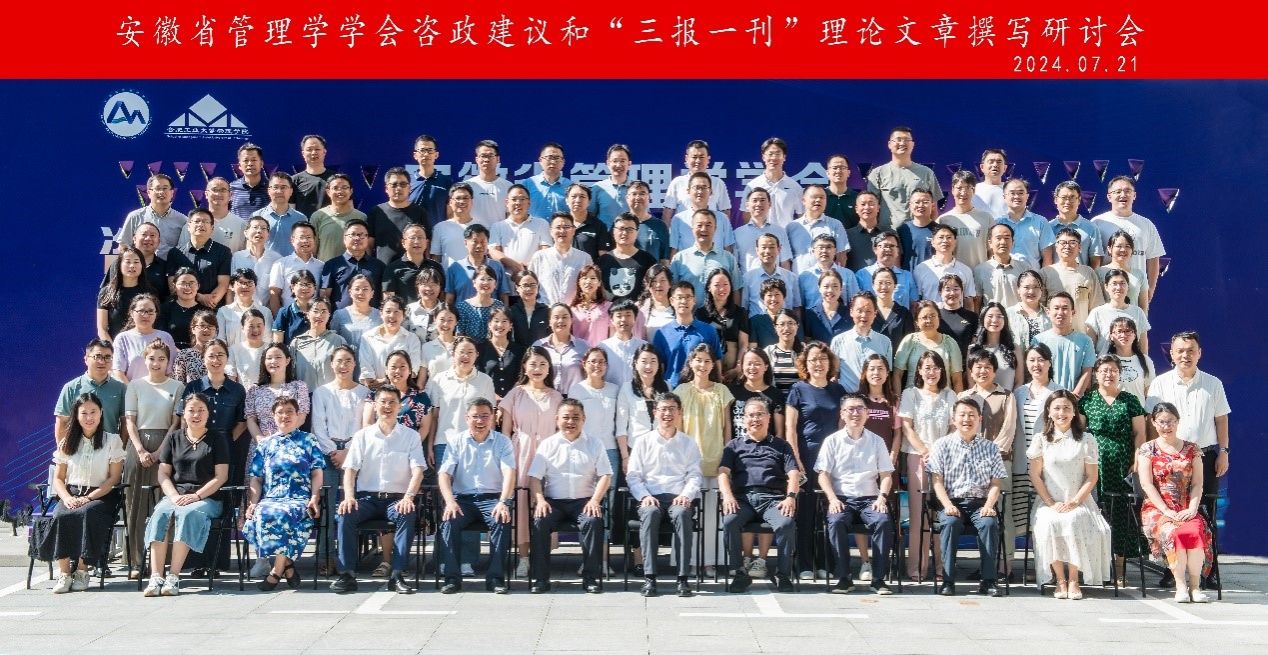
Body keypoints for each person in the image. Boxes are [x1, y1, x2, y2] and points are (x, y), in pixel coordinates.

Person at [1145, 331, 1230, 576]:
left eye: (1190, 350)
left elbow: (1221, 419)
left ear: (1199, 353)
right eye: (1180, 351)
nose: (1185, 355)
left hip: (1205, 456)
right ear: (1171, 354)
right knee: (1172, 516)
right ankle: (1173, 573)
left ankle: (1208, 573)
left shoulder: (1213, 384)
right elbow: (1151, 422)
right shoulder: (1160, 384)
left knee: (1206, 513)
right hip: (1170, 460)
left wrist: (1223, 451)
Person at [330, 387, 427, 595]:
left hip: (397, 500)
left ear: (400, 406)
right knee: (345, 512)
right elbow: (350, 470)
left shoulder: (410, 436)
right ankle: (347, 574)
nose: (387, 406)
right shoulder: (362, 436)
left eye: (392, 402)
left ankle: (397, 575)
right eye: (383, 401)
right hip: (367, 499)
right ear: (374, 406)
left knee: (407, 512)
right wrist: (349, 497)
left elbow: (418, 470)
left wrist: (409, 497)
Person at [140, 393, 230, 596]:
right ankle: (156, 577)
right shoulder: (174, 438)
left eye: (201, 410)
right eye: (191, 410)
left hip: (207, 498)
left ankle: (173, 576)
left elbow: (221, 476)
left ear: (209, 413)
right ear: (183, 413)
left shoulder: (217, 438)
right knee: (160, 514)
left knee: (187, 513)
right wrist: (173, 496)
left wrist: (197, 496)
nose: (196, 415)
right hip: (176, 496)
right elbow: (163, 474)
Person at [37, 393, 124, 594]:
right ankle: (65, 573)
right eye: (84, 413)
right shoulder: (67, 442)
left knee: (88, 513)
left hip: (101, 495)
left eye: (93, 412)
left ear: (101, 413)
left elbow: (113, 478)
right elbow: (58, 479)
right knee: (61, 514)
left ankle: (82, 571)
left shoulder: (112, 441)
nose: (89, 417)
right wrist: (67, 498)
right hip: (72, 493)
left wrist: (89, 498)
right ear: (76, 415)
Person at [1027, 390, 1112, 598]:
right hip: (1048, 502)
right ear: (1049, 412)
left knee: (1074, 521)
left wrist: (1075, 501)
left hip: (1079, 501)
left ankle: (1074, 579)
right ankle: (1060, 580)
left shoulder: (1086, 439)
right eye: (1056, 408)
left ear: (1074, 412)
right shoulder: (1040, 439)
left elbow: (1092, 477)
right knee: (1049, 522)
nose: (1061, 413)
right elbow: (1035, 476)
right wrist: (1051, 502)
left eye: (1067, 408)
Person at [527, 399, 613, 594]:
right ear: (557, 419)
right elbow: (534, 477)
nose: (570, 422)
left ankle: (591, 578)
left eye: (576, 417)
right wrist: (540, 500)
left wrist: (595, 500)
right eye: (566, 417)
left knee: (593, 521)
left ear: (584, 419)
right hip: (554, 502)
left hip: (584, 502)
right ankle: (540, 579)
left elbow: (605, 475)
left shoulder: (595, 443)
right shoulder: (548, 444)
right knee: (540, 521)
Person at [626, 392, 704, 598]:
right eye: (663, 409)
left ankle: (683, 579)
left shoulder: (688, 443)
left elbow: (695, 475)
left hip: (678, 497)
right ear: (655, 413)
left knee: (682, 513)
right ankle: (650, 578)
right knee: (650, 513)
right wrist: (644, 496)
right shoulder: (643, 441)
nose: (667, 413)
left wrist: (686, 495)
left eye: (672, 409)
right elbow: (633, 476)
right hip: (651, 497)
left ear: (679, 413)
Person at [928, 398, 1009, 596]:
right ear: (953, 419)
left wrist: (989, 505)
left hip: (980, 503)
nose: (967, 419)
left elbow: (996, 483)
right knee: (950, 523)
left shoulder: (990, 448)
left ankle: (988, 581)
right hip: (951, 502)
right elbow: (937, 481)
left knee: (989, 523)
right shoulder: (942, 445)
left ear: (980, 419)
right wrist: (947, 505)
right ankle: (948, 581)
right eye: (962, 415)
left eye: (972, 415)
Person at [818, 393, 896, 594]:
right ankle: (844, 578)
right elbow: (823, 475)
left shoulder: (877, 441)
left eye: (860, 408)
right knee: (836, 521)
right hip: (841, 499)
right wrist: (832, 499)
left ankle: (878, 579)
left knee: (883, 521)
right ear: (842, 414)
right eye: (850, 409)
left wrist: (882, 497)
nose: (855, 413)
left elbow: (886, 475)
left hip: (870, 499)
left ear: (867, 413)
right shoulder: (832, 441)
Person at [1138, 403, 1216, 603]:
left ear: (1178, 421)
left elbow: (1198, 484)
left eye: (1171, 421)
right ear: (1154, 423)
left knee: (1195, 531)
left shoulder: (1192, 449)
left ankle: (1195, 587)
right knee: (1174, 533)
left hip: (1186, 508)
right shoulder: (1148, 449)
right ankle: (1180, 586)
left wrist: (1192, 508)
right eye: (1162, 422)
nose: (1167, 426)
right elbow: (1146, 484)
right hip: (1157, 508)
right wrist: (1165, 510)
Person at [720, 397, 800, 593]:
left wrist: (790, 497)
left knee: (786, 523)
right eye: (751, 415)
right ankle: (739, 572)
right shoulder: (733, 445)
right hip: (743, 500)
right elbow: (722, 472)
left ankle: (782, 574)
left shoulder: (781, 445)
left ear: (769, 418)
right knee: (730, 522)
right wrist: (727, 496)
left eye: (760, 414)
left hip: (772, 500)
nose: (755, 419)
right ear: (744, 419)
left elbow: (794, 473)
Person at [243, 397, 324, 591]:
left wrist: (315, 497)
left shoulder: (308, 440)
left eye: (289, 411)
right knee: (262, 513)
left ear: (297, 415)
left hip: (299, 498)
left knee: (285, 513)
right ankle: (287, 566)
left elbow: (317, 472)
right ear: (273, 416)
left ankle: (275, 572)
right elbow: (256, 478)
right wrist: (253, 502)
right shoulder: (266, 444)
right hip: (272, 498)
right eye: (280, 412)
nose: (285, 416)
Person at [437, 398, 516, 594]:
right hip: (463, 500)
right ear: (467, 418)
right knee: (449, 521)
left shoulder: (503, 442)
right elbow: (444, 474)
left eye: (485, 416)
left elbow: (509, 473)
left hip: (492, 499)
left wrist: (504, 502)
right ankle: (452, 578)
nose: (480, 421)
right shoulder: (456, 441)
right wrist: (450, 502)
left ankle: (495, 578)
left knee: (501, 519)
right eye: (475, 416)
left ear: (493, 418)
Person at [1082, 355, 1148, 585]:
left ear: (1119, 373)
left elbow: (1140, 433)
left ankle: (1119, 569)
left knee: (1121, 515)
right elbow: (1079, 433)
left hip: (1121, 464)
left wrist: (1136, 460)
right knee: (1097, 514)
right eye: (1104, 370)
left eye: (1113, 370)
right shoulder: (1087, 400)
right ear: (1096, 374)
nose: (1108, 374)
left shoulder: (1130, 400)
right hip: (1095, 466)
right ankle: (1097, 569)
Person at [785, 342, 847, 579]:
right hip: (806, 457)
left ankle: (826, 564)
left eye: (822, 358)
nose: (818, 364)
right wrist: (796, 460)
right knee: (806, 512)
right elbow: (790, 429)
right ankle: (804, 565)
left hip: (832, 459)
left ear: (830, 362)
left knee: (829, 511)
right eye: (813, 359)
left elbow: (842, 426)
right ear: (805, 364)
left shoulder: (838, 390)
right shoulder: (798, 389)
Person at [123, 340, 184, 571]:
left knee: (164, 504)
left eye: (161, 359)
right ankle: (135, 561)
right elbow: (130, 421)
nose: (156, 363)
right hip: (138, 444)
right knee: (135, 504)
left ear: (168, 361)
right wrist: (140, 449)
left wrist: (160, 451)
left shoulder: (177, 386)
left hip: (166, 444)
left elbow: (176, 423)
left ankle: (161, 563)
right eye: (151, 358)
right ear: (144, 360)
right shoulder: (135, 385)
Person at [674, 343, 734, 573]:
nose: (702, 365)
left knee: (711, 516)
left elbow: (727, 427)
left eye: (707, 361)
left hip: (715, 460)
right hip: (687, 463)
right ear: (691, 363)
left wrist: (726, 457)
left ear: (713, 365)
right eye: (698, 360)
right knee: (686, 512)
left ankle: (709, 561)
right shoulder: (681, 391)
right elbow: (678, 429)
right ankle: (687, 561)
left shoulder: (721, 391)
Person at [897, 351, 957, 580]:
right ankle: (917, 568)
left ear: (942, 371)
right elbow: (907, 427)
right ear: (919, 371)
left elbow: (953, 427)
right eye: (927, 367)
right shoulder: (910, 394)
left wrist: (938, 452)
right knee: (918, 514)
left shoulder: (950, 395)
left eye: (936, 367)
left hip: (945, 459)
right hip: (917, 458)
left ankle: (942, 568)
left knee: (941, 514)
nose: (932, 372)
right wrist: (924, 451)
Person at [960, 350, 1019, 574]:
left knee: (1003, 512)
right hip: (970, 466)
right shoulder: (963, 397)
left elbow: (1008, 430)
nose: (982, 371)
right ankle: (987, 564)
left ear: (994, 371)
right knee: (982, 514)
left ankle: (1005, 565)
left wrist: (988, 455)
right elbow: (959, 430)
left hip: (1000, 462)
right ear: (971, 371)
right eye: (978, 367)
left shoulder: (1006, 396)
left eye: (987, 367)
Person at [1011, 344, 1057, 568]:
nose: (1036, 364)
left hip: (1048, 467)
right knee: (1019, 518)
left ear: (1049, 363)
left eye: (1041, 360)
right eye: (1032, 360)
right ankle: (1008, 568)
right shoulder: (1019, 393)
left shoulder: (1059, 392)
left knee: (1044, 518)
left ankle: (1045, 569)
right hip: (1021, 462)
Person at [568, 348, 623, 529]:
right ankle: (590, 535)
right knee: (587, 492)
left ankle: (606, 539)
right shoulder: (577, 390)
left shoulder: (615, 390)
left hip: (610, 448)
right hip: (585, 448)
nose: (597, 365)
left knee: (610, 494)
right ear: (584, 364)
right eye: (592, 361)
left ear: (606, 366)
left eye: (601, 362)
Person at [1092, 176, 1165, 310]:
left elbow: (1153, 258)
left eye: (1127, 191)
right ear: (1109, 196)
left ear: (1134, 195)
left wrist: (1149, 289)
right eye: (1117, 191)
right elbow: (1093, 259)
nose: (1123, 195)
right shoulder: (1097, 223)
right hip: (1107, 294)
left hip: (1136, 292)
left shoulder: (1146, 224)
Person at [426, 336, 496, 466]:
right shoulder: (439, 380)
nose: (466, 356)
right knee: (444, 479)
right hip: (444, 443)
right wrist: (430, 446)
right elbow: (434, 417)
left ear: (477, 355)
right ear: (453, 354)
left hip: (476, 443)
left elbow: (490, 417)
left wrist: (490, 446)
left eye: (470, 352)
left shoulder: (485, 381)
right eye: (461, 352)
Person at [244, 344, 311, 462]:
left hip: (290, 445)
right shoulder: (255, 390)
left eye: (278, 357)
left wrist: (279, 439)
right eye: (269, 358)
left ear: (287, 360)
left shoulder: (298, 386)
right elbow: (251, 420)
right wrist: (262, 441)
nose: (273, 361)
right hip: (262, 447)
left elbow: (301, 417)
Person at [866, 126, 943, 228]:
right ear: (889, 144)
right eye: (898, 139)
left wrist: (933, 231)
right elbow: (871, 209)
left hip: (920, 233)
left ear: (913, 144)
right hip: (888, 234)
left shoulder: (926, 173)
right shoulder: (878, 173)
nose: (902, 143)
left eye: (907, 140)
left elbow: (933, 209)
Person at [55, 338, 127, 443]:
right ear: (86, 359)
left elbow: (125, 423)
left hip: (110, 449)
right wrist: (63, 450)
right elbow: (62, 422)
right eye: (97, 356)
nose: (102, 361)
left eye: (107, 357)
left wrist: (121, 449)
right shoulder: (71, 388)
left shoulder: (120, 388)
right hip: (78, 449)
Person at [669, 209, 742, 307]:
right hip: (689, 315)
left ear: (715, 229)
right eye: (699, 225)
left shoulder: (728, 258)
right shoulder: (679, 259)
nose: (704, 229)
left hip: (721, 316)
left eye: (708, 225)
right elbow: (672, 290)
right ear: (692, 228)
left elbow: (736, 290)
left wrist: (736, 314)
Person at [893, 300, 964, 393]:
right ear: (916, 322)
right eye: (924, 317)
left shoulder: (950, 343)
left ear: (939, 318)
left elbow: (957, 379)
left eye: (932, 316)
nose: (929, 320)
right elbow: (897, 375)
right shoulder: (909, 341)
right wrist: (898, 398)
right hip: (913, 398)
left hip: (944, 398)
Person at [1032, 293, 1097, 395]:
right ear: (1048, 312)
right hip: (1045, 397)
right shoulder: (1038, 340)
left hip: (1074, 399)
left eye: (1065, 308)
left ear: (1073, 312)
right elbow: (1035, 371)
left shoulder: (1085, 341)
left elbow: (1087, 371)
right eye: (1056, 308)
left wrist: (1075, 396)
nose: (1060, 312)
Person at [1041, 228, 1105, 330]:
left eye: (1072, 243)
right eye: (1063, 243)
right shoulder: (1046, 273)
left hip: (1082, 333)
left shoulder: (1088, 273)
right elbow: (1040, 308)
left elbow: (1096, 308)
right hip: (1053, 334)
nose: (1067, 246)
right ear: (1056, 247)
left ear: (1079, 247)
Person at [829, 291, 892, 392]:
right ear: (851, 312)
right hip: (847, 398)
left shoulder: (885, 342)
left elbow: (887, 376)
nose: (864, 315)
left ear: (875, 313)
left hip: (874, 399)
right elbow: (833, 375)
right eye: (859, 310)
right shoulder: (838, 341)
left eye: (868, 311)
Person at [169, 208, 232, 308]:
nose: (201, 224)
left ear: (212, 228)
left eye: (205, 221)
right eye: (197, 221)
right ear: (188, 226)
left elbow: (223, 284)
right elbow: (172, 285)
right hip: (183, 307)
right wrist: (199, 297)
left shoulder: (223, 252)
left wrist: (211, 301)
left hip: (211, 308)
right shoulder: (175, 253)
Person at [116, 173, 188, 258]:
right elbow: (124, 246)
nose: (161, 192)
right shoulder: (135, 216)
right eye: (157, 188)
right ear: (149, 192)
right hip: (142, 265)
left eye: (165, 188)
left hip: (170, 266)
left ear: (172, 193)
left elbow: (186, 250)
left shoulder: (183, 220)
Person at [111, 294, 178, 383]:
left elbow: (171, 372)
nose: (146, 315)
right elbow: (118, 372)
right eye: (141, 311)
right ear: (132, 313)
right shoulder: (122, 339)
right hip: (131, 390)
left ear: (156, 314)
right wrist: (132, 390)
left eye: (150, 311)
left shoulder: (166, 337)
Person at [359, 296, 423, 388]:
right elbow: (366, 370)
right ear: (381, 313)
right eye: (388, 311)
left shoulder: (412, 339)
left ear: (404, 315)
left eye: (396, 312)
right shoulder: (368, 337)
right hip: (375, 391)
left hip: (402, 391)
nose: (392, 315)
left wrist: (386, 380)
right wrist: (372, 381)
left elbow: (413, 369)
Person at [367, 167, 429, 262]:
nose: (398, 188)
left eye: (403, 184)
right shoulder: (376, 212)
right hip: (383, 269)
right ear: (386, 188)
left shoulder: (420, 212)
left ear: (409, 188)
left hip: (414, 268)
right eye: (394, 185)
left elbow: (427, 244)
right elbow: (368, 245)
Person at [530, 213, 594, 305]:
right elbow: (531, 284)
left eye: (566, 227)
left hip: (574, 311)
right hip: (545, 310)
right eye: (558, 227)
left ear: (573, 231)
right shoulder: (539, 257)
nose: (562, 231)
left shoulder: (584, 258)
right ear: (551, 231)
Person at [321, 219, 385, 310]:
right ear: (344, 238)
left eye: (362, 235)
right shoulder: (332, 265)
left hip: (372, 317)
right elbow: (324, 296)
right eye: (353, 234)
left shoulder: (379, 266)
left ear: (367, 239)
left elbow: (384, 297)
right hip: (340, 317)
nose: (357, 238)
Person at [617, 345, 670, 454]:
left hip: (662, 450)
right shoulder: (626, 388)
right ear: (636, 364)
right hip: (635, 450)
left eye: (653, 361)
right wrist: (625, 457)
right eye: (644, 361)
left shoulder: (667, 387)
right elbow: (621, 427)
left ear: (659, 365)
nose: (648, 366)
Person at [662, 139, 731, 222]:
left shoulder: (718, 183)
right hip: (683, 229)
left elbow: (725, 211)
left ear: (708, 159)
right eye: (694, 157)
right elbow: (667, 213)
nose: (698, 161)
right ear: (686, 158)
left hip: (710, 229)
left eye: (701, 157)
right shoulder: (677, 182)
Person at [669, 173, 737, 256]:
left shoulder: (722, 218)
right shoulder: (679, 219)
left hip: (717, 263)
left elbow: (728, 248)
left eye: (704, 187)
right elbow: (673, 250)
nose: (700, 191)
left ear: (711, 192)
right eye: (696, 187)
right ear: (688, 191)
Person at [490, 184, 551, 276]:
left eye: (522, 199)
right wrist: (515, 265)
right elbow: (494, 252)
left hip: (534, 277)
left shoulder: (542, 224)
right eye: (514, 199)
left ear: (529, 203)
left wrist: (530, 266)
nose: (518, 203)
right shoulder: (497, 226)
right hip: (507, 278)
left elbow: (546, 251)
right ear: (507, 203)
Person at [1086, 269, 1150, 355]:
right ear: (1106, 287)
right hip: (1105, 362)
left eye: (1122, 283)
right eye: (1114, 283)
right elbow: (1090, 349)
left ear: (1128, 286)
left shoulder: (1138, 312)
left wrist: (1145, 362)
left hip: (1132, 363)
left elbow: (1143, 347)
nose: (1118, 287)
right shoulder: (1097, 313)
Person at [98, 246, 157, 340]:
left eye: (136, 262)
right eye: (128, 262)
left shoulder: (150, 292)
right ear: (119, 265)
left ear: (142, 265)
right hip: (114, 345)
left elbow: (154, 325)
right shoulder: (106, 292)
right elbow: (102, 329)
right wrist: (113, 348)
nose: (132, 265)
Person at [444, 223, 511, 305]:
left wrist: (505, 311)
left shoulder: (497, 267)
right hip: (462, 313)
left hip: (492, 313)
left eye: (483, 242)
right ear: (465, 243)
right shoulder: (455, 268)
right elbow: (449, 298)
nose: (479, 246)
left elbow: (503, 295)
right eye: (475, 241)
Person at [598, 213, 658, 304]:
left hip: (638, 310)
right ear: (614, 231)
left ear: (637, 232)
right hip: (609, 311)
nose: (625, 233)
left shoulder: (648, 260)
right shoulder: (603, 260)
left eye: (630, 229)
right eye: (621, 229)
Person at [939, 170, 992, 269]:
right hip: (953, 276)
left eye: (968, 188)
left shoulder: (986, 218)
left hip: (980, 275)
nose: (963, 192)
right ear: (953, 190)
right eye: (959, 188)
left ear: (974, 191)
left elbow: (992, 251)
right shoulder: (943, 220)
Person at [975, 223, 1037, 308]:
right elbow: (977, 303)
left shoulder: (1024, 268)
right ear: (990, 243)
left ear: (1013, 242)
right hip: (993, 316)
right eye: (998, 238)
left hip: (1019, 316)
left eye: (1007, 238)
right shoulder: (980, 270)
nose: (1003, 242)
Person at [996, 178, 1056, 267]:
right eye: (1012, 193)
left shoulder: (1041, 222)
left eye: (1020, 193)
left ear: (1027, 196)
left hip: (1031, 274)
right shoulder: (996, 223)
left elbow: (1047, 259)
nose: (1016, 196)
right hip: (1004, 273)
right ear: (1004, 196)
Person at [915, 225, 978, 309]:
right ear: (932, 242)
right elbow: (916, 301)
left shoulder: (965, 270)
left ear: (955, 242)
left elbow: (968, 301)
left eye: (949, 237)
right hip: (930, 316)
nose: (945, 241)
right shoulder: (921, 269)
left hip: (957, 316)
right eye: (941, 237)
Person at [290, 298, 347, 391]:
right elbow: (291, 373)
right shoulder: (296, 343)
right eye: (315, 311)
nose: (319, 315)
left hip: (332, 395)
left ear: (329, 315)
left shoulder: (338, 341)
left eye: (323, 311)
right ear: (307, 314)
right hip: (304, 396)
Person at [382, 223, 446, 305]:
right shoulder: (393, 268)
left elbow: (442, 295)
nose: (417, 241)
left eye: (420, 237)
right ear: (403, 242)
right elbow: (389, 299)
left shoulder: (436, 267)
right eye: (412, 238)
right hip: (405, 312)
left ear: (426, 242)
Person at [533, 304, 589, 393]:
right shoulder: (539, 346)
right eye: (556, 317)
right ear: (550, 322)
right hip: (546, 397)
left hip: (575, 398)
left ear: (571, 320)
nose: (560, 321)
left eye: (565, 317)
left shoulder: (583, 346)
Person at [856, 231, 919, 309]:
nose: (888, 249)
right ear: (875, 249)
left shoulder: (907, 276)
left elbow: (914, 305)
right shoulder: (862, 275)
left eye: (892, 246)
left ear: (898, 251)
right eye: (885, 246)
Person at [1050, 181, 1105, 268]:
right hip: (1054, 276)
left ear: (1079, 200)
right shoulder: (1048, 227)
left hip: (1082, 276)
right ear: (1056, 200)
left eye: (1072, 197)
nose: (1067, 201)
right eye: (1064, 197)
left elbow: (1095, 260)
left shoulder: (1091, 228)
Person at [735, 188, 793, 270]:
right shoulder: (737, 233)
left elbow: (785, 263)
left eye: (762, 200)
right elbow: (734, 265)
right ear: (747, 205)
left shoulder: (779, 231)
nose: (758, 204)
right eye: (755, 200)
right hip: (747, 278)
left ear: (769, 204)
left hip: (774, 278)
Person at [742, 234, 800, 316]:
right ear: (757, 250)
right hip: (758, 323)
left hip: (784, 322)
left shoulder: (791, 277)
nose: (767, 251)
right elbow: (744, 308)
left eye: (772, 247)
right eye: (763, 247)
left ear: (779, 249)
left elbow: (797, 308)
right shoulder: (747, 278)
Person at [787, 185, 848, 262]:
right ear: (803, 200)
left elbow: (841, 256)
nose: (818, 200)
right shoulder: (791, 227)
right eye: (814, 197)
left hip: (827, 270)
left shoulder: (835, 224)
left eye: (822, 197)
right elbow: (786, 259)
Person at [796, 234, 858, 310]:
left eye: (829, 247)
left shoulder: (848, 274)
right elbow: (800, 306)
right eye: (820, 247)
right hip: (812, 316)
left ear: (835, 251)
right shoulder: (804, 276)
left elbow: (855, 302)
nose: (824, 251)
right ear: (813, 251)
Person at [254, 172, 307, 258]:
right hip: (265, 264)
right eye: (275, 187)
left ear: (291, 191)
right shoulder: (257, 216)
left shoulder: (301, 219)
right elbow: (250, 245)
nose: (279, 191)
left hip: (292, 265)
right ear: (269, 190)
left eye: (283, 187)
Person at [972, 302, 1024, 390]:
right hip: (980, 398)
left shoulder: (1014, 349)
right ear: (983, 319)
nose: (994, 320)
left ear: (1005, 321)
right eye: (990, 316)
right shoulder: (974, 349)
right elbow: (971, 383)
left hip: (1008, 398)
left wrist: (1010, 398)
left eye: (999, 316)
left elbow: (1019, 381)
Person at [477, 307, 527, 400]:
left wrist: (509, 398)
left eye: (504, 321)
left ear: (510, 325)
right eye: (496, 321)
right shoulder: (480, 349)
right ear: (489, 324)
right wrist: (493, 396)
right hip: (486, 400)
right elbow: (477, 376)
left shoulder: (520, 351)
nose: (500, 325)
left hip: (514, 400)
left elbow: (522, 377)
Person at [407, 134, 453, 231]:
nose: (426, 154)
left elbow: (450, 213)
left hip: (437, 235)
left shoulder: (446, 182)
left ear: (436, 155)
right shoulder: (407, 181)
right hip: (413, 236)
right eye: (422, 150)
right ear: (415, 155)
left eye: (430, 150)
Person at [1096, 230, 1149, 313]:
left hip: (1132, 320)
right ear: (1109, 249)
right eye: (1119, 246)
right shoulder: (1099, 272)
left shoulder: (1139, 274)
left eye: (1127, 246)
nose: (1123, 249)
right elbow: (1096, 305)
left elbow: (1143, 307)